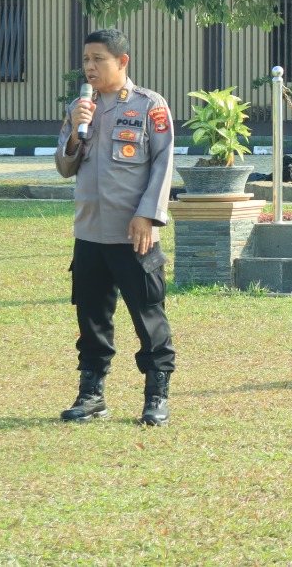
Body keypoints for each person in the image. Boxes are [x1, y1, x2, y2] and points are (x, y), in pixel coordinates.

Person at [54, 28, 176, 425]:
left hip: (134, 235)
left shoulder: (149, 106)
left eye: (98, 59)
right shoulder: (80, 106)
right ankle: (92, 396)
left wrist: (149, 215)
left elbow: (163, 163)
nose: (89, 67)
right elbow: (65, 166)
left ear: (122, 61)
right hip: (90, 233)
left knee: (148, 316)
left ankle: (156, 396)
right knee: (91, 319)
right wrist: (76, 133)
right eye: (85, 60)